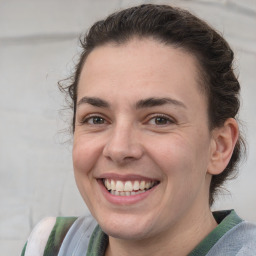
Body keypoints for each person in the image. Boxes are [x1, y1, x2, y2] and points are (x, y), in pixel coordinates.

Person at [21, 4, 256, 256]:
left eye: (159, 120)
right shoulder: (50, 245)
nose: (119, 149)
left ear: (219, 147)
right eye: (97, 119)